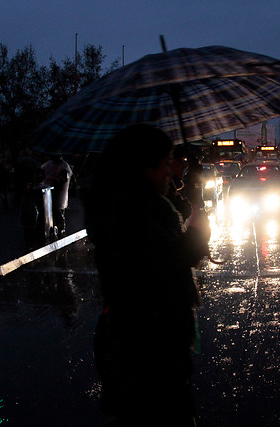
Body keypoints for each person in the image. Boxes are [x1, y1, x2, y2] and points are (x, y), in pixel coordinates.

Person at [83, 124, 210, 425]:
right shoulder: (134, 213)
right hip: (149, 343)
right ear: (143, 167)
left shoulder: (127, 204)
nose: (171, 172)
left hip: (141, 335)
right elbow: (168, 266)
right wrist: (195, 233)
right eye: (166, 163)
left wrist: (178, 206)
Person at [41, 154, 73, 236]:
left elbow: (63, 179)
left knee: (58, 212)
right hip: (48, 193)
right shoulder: (48, 164)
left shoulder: (64, 166)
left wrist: (53, 180)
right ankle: (52, 229)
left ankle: (61, 229)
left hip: (59, 195)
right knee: (51, 212)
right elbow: (41, 172)